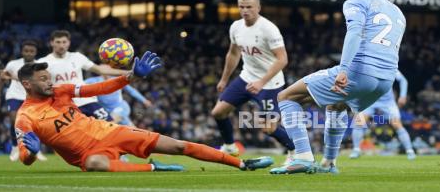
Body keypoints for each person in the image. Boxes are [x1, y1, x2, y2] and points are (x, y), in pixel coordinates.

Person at [15, 52, 273, 172]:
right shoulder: (25, 118)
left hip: (112, 132)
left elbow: (101, 86)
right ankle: (153, 168)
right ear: (27, 84)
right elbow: (26, 157)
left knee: (178, 146)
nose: (50, 82)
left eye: (49, 77)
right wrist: (32, 152)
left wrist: (130, 76)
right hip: (87, 153)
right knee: (95, 165)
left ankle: (241, 163)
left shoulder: (61, 90)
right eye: (43, 79)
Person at [270, 0, 406, 174]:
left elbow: (354, 32)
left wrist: (344, 69)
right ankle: (329, 163)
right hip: (385, 81)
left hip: (360, 71)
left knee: (286, 97)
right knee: (338, 105)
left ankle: (303, 157)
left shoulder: (357, 2)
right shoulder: (398, 12)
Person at [211, 0, 295, 161]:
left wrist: (261, 82)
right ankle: (229, 147)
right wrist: (224, 79)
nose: (245, 10)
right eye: (241, 7)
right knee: (218, 112)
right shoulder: (236, 27)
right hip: (246, 77)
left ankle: (296, 151)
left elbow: (283, 59)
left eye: (249, 7)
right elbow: (233, 54)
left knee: (268, 128)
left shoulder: (268, 29)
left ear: (258, 8)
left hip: (270, 83)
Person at [38, 30, 128, 120]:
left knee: (110, 125)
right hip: (65, 106)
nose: (61, 45)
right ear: (51, 43)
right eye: (58, 42)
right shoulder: (43, 62)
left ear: (69, 43)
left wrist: (128, 72)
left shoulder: (77, 57)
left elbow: (100, 70)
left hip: (86, 100)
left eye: (64, 42)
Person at [0, 40, 47, 161]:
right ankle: (15, 146)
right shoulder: (13, 64)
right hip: (15, 96)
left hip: (32, 97)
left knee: (36, 123)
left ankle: (35, 150)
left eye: (31, 51)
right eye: (26, 51)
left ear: (35, 52)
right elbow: (1, 79)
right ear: (22, 51)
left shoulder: (40, 66)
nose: (29, 53)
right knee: (14, 119)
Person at [350, 70, 415, 160]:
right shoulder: (367, 65)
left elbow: (403, 80)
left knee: (397, 125)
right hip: (369, 100)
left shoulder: (389, 64)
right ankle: (356, 150)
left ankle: (410, 151)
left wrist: (403, 96)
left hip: (387, 102)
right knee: (358, 122)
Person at [85, 68, 153, 126]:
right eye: (104, 69)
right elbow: (81, 84)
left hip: (121, 107)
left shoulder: (117, 80)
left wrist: (144, 100)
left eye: (109, 70)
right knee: (131, 129)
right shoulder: (93, 81)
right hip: (107, 111)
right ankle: (145, 140)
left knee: (109, 124)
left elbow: (131, 91)